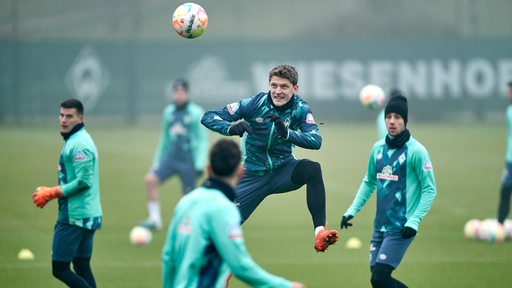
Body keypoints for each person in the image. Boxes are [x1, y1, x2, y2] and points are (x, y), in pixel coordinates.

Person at [201, 64, 338, 253]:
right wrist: (231, 128)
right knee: (222, 230)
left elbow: (316, 140)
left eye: (284, 87)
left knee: (312, 168)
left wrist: (287, 133)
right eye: (274, 86)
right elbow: (209, 116)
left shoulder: (300, 109)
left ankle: (320, 232)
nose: (277, 91)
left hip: (283, 170)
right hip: (251, 175)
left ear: (295, 88)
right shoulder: (254, 104)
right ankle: (221, 273)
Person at [162, 139, 305, 288]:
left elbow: (168, 257)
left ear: (208, 169)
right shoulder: (226, 209)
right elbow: (240, 266)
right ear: (240, 171)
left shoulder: (185, 201)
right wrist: (284, 286)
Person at [340, 94, 437, 288]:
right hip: (380, 226)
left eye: (397, 117)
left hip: (401, 227)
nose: (392, 121)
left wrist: (414, 221)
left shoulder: (417, 152)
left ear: (405, 120)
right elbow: (369, 182)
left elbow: (429, 190)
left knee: (380, 278)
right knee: (378, 281)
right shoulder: (377, 149)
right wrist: (351, 211)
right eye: (388, 117)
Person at [32, 99, 102, 288]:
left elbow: (83, 181)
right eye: (61, 115)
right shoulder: (75, 139)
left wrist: (52, 192)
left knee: (60, 268)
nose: (63, 120)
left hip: (75, 216)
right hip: (87, 214)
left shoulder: (79, 145)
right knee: (81, 266)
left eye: (69, 116)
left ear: (80, 118)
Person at [140, 79, 208, 230]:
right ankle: (155, 219)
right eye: (176, 92)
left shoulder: (196, 112)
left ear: (187, 94)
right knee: (150, 180)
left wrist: (199, 163)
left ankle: (190, 224)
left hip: (188, 161)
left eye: (182, 92)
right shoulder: (168, 112)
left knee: (188, 197)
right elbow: (164, 138)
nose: (179, 95)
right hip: (171, 159)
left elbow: (202, 140)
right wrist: (157, 161)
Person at [497, 80, 512, 225]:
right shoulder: (509, 111)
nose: (509, 94)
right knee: (505, 191)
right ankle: (500, 223)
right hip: (510, 160)